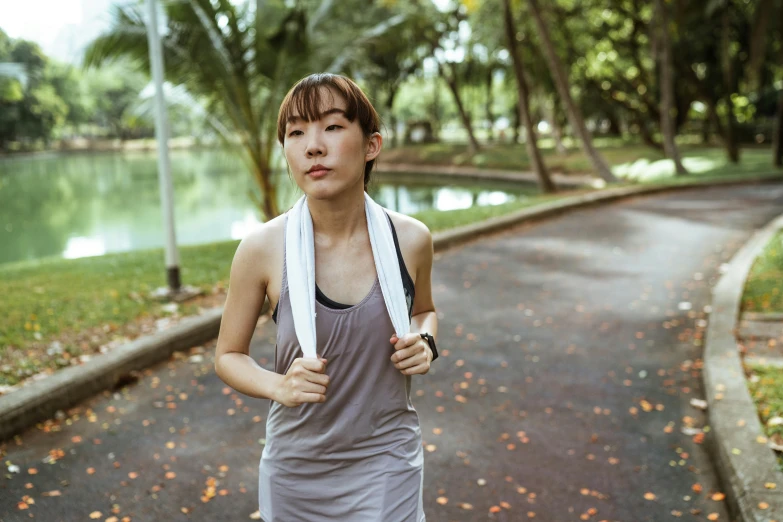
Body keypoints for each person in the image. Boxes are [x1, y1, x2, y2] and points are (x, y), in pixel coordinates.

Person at [214, 73, 439, 522]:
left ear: (371, 144)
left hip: (386, 457)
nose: (313, 146)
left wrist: (426, 341)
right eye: (296, 133)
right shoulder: (262, 249)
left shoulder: (410, 240)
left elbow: (424, 312)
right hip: (296, 468)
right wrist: (279, 385)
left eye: (332, 127)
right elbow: (228, 356)